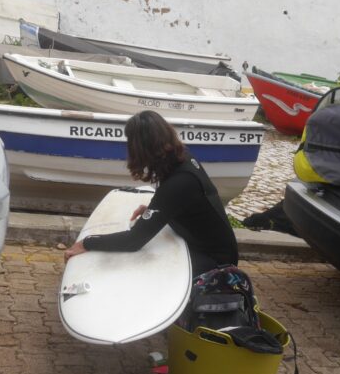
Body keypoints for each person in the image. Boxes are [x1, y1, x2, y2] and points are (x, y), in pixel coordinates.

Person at [63, 110, 238, 276]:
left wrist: (87, 243)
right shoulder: (180, 157)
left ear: (140, 147)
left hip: (216, 262)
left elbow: (134, 241)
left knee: (134, 267)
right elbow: (183, 202)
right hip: (202, 244)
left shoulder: (181, 180)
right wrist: (158, 209)